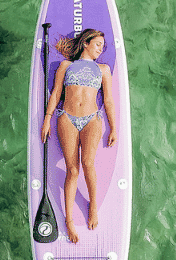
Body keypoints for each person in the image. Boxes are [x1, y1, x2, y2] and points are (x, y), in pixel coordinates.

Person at [40, 28, 118, 243]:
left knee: (88, 164)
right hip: (67, 118)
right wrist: (47, 119)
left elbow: (109, 100)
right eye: (98, 44)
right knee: (72, 170)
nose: (101, 49)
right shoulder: (66, 66)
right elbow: (56, 93)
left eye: (103, 47)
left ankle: (93, 205)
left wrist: (114, 127)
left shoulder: (103, 69)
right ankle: (69, 221)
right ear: (86, 43)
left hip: (92, 119)